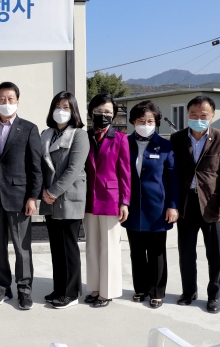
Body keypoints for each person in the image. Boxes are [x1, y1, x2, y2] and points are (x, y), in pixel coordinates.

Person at [171, 96, 220, 314]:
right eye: (194, 114)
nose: (198, 118)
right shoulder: (177, 138)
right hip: (186, 204)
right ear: (187, 115)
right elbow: (171, 172)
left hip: (213, 205)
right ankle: (188, 292)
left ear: (212, 116)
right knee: (186, 253)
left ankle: (214, 296)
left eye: (203, 115)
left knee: (216, 254)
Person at [0, 81, 42, 310]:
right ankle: (2, 287)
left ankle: (24, 289)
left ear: (17, 101)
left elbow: (35, 166)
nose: (6, 103)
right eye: (1, 99)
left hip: (20, 197)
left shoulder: (29, 128)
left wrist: (33, 197)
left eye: (10, 99)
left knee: (22, 248)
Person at [121, 100, 178, 309]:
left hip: (157, 209)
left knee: (156, 253)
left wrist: (173, 205)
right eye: (141, 120)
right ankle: (140, 289)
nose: (145, 124)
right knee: (136, 252)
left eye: (150, 121)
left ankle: (157, 292)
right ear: (133, 122)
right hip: (131, 208)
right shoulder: (124, 144)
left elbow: (173, 179)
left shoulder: (165, 146)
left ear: (156, 123)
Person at [39, 91, 88, 309]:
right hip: (49, 199)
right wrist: (43, 191)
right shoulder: (46, 134)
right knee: (56, 247)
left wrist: (53, 192)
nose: (61, 110)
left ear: (73, 111)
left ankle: (70, 293)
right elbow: (40, 166)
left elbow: (74, 169)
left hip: (68, 197)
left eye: (66, 107)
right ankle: (59, 289)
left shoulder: (79, 135)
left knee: (68, 247)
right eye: (57, 106)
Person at [84, 93, 131, 308]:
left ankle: (108, 292)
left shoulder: (120, 138)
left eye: (108, 112)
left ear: (114, 115)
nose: (103, 115)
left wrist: (125, 201)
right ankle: (95, 288)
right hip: (88, 198)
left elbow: (125, 172)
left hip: (111, 199)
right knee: (92, 247)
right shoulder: (84, 137)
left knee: (110, 248)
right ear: (91, 112)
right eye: (99, 111)